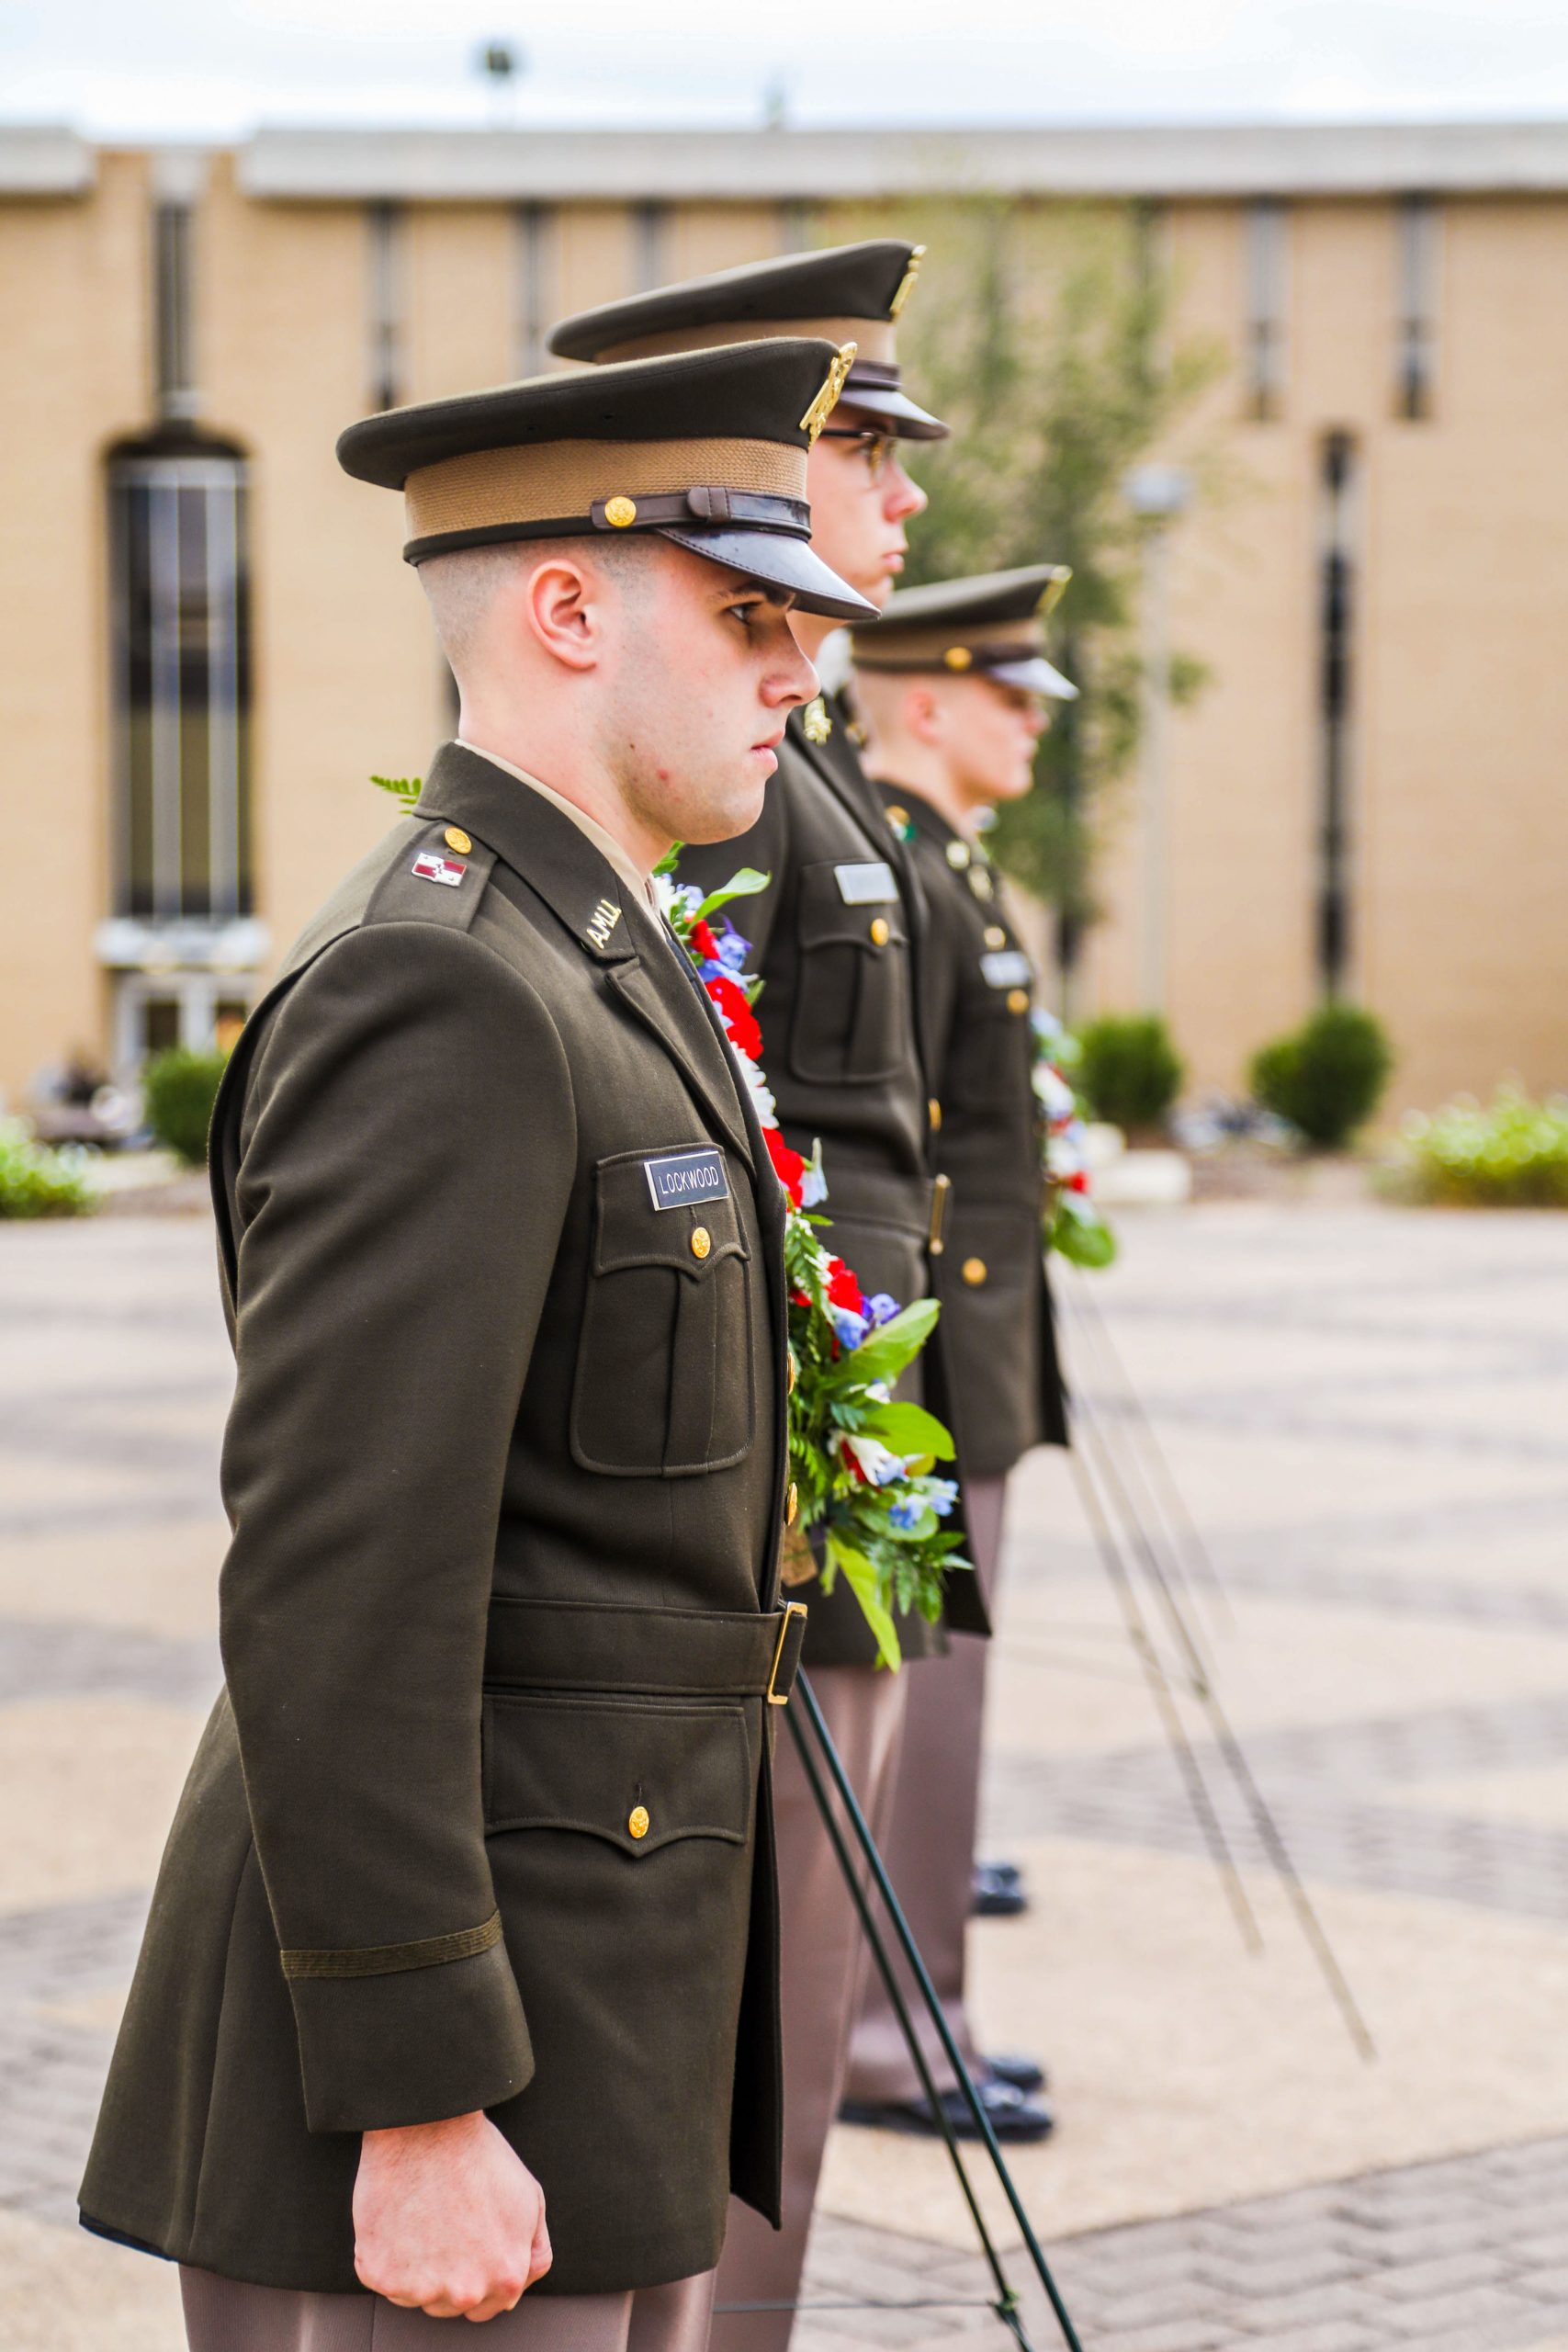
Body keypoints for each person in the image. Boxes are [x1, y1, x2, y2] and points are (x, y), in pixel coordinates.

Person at [77, 335, 878, 2352]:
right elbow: (344, 1576)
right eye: (754, 613)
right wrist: (421, 2087)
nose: (804, 668)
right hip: (462, 2053)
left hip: (591, 1977)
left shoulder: (593, 951)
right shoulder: (444, 990)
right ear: (564, 607)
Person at [550, 243, 987, 2352]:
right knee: (759, 2025)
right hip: (779, 1478)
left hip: (847, 1455)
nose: (900, 501)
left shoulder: (797, 768)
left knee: (800, 2022)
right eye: (860, 451)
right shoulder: (718, 780)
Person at [839, 566, 1077, 2142]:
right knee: (913, 1717)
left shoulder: (951, 872)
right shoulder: (901, 870)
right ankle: (891, 2033)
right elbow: (882, 1144)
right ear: (924, 699)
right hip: (932, 1364)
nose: (1033, 728)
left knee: (950, 1714)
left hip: (975, 1359)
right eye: (1011, 697)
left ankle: (924, 2014)